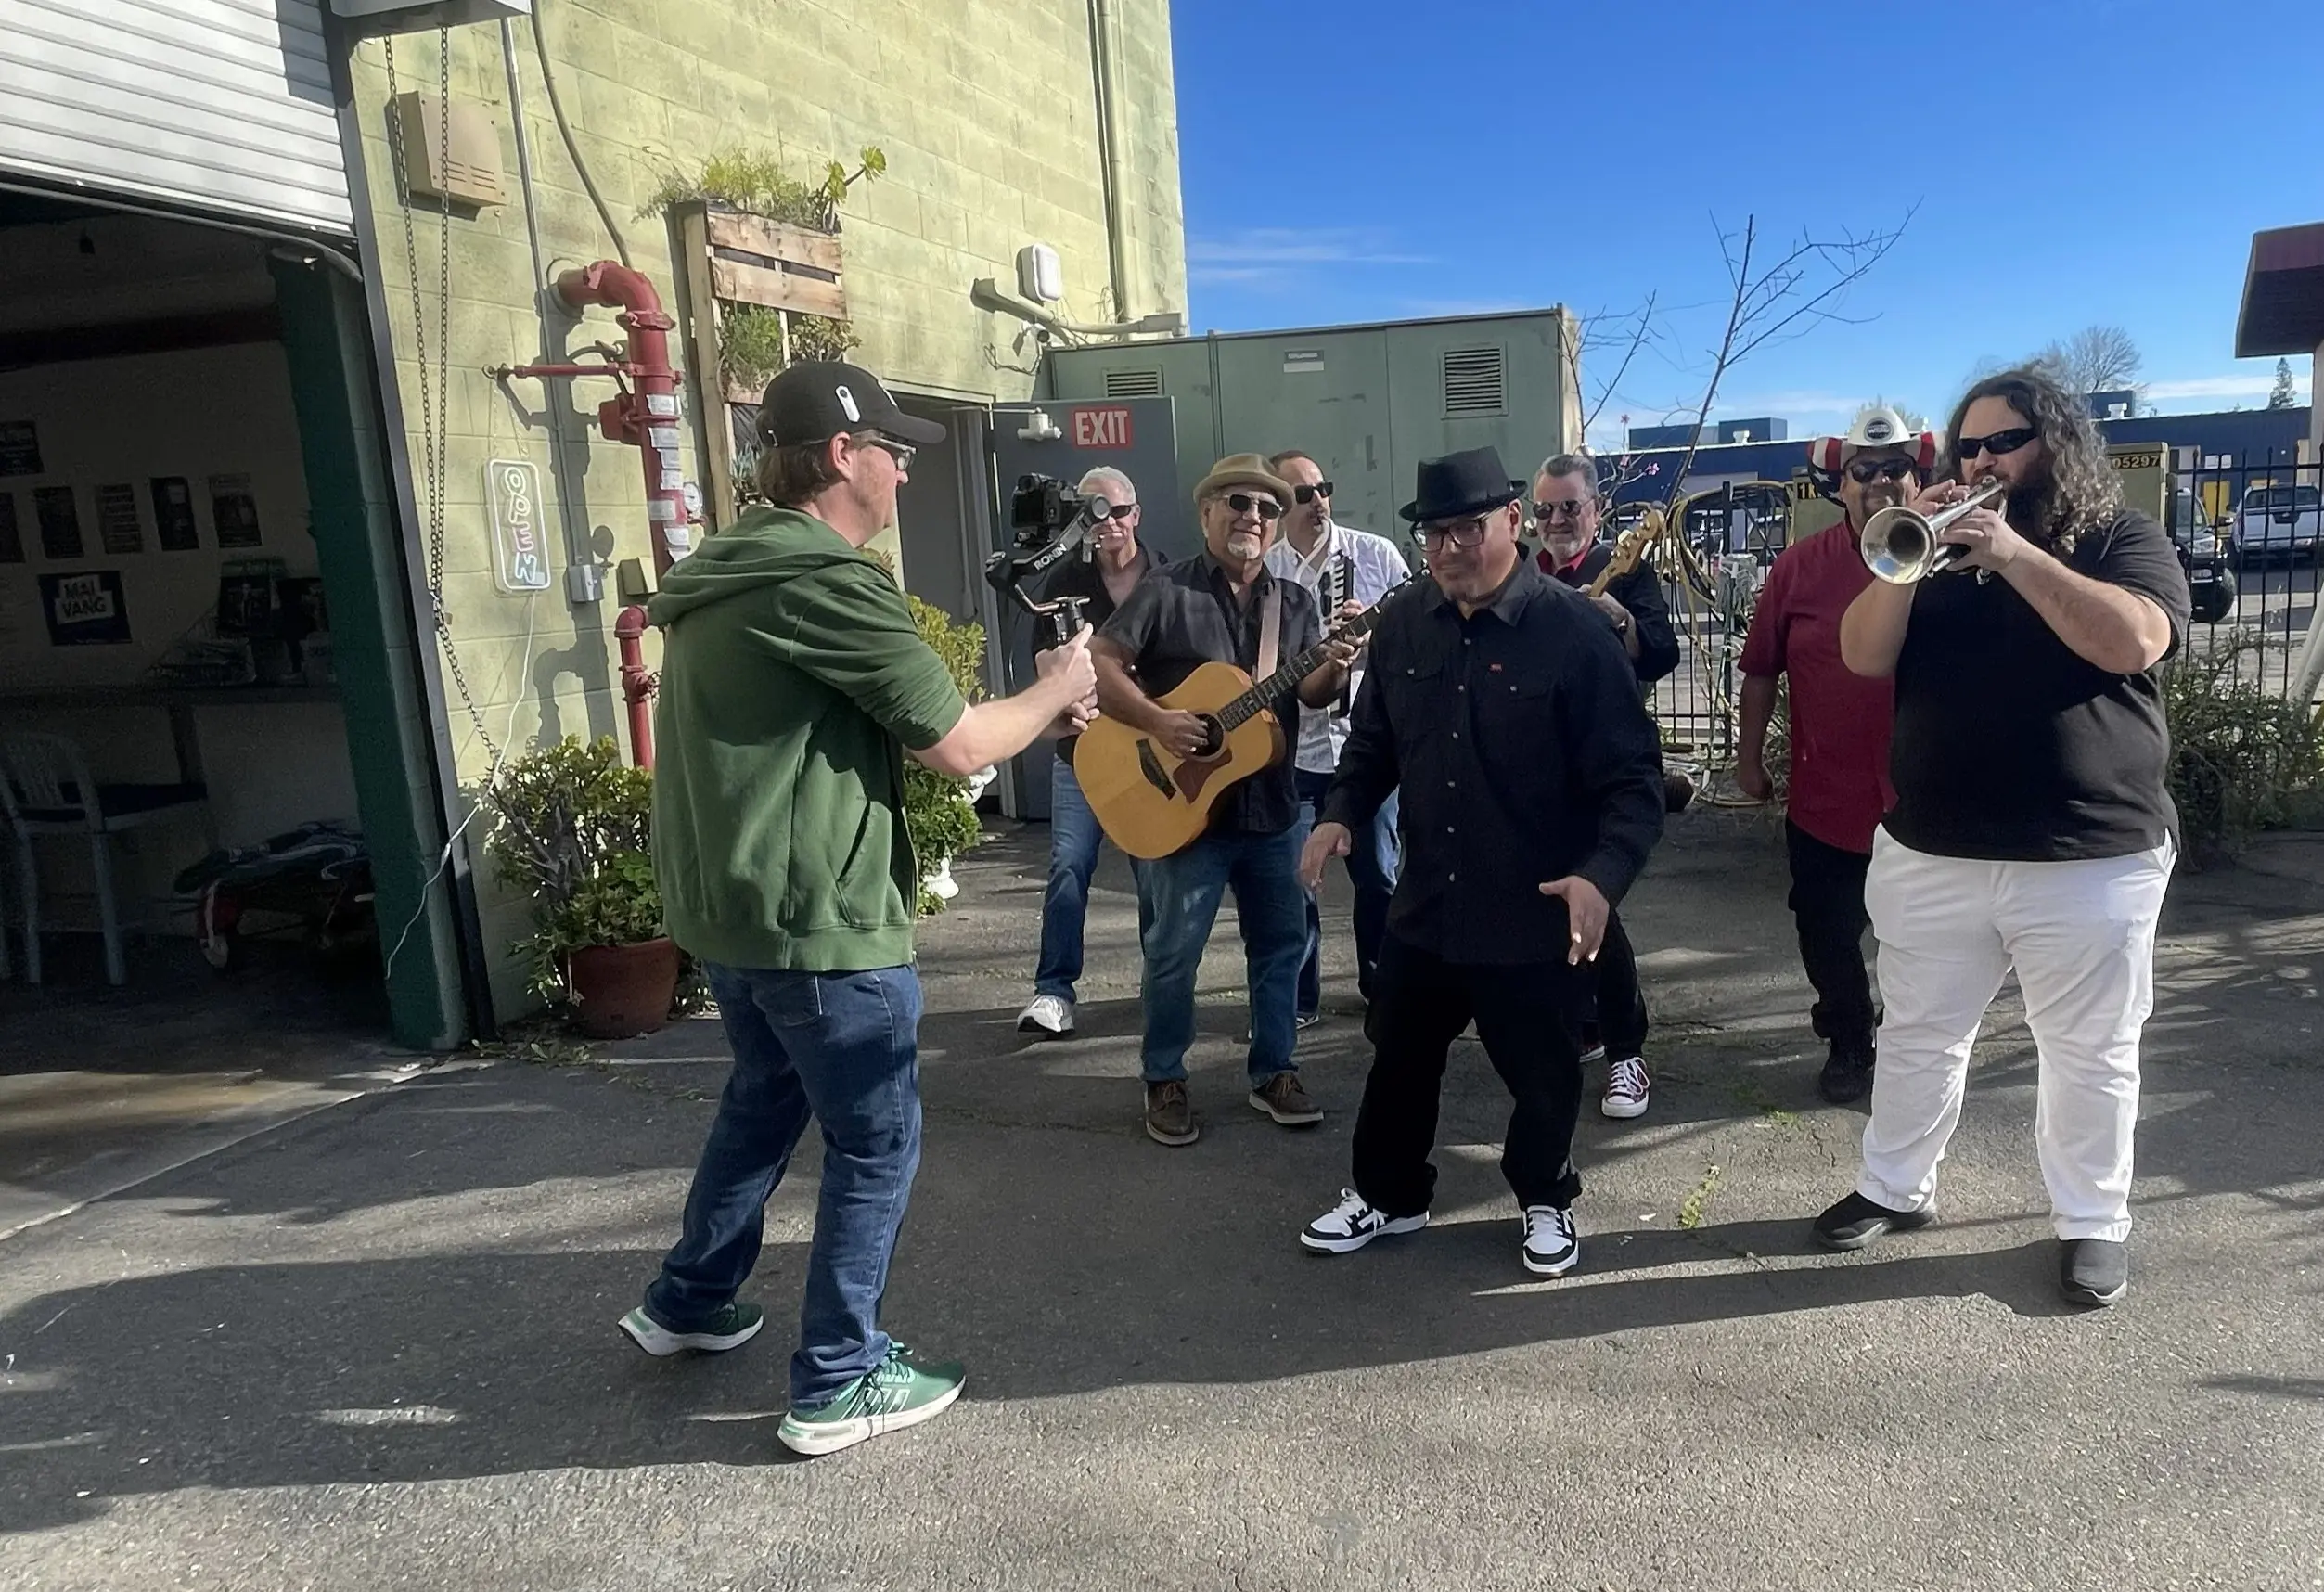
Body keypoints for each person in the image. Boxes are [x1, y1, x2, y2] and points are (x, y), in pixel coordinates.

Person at [622, 360, 1098, 1456]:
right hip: (820, 923)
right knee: (877, 1142)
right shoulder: (827, 582)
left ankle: (689, 1300)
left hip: (734, 921)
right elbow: (960, 746)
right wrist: (1061, 687)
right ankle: (838, 1374)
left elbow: (832, 727)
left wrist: (1029, 706)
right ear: (843, 457)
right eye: (895, 452)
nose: (904, 475)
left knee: (762, 1103)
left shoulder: (723, 574)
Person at [1810, 366, 2189, 1311]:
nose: (1982, 461)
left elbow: (2134, 641)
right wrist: (1907, 556)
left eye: (2004, 442)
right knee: (1922, 1035)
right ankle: (1895, 1188)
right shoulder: (1927, 555)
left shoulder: (2118, 538)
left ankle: (2093, 1223)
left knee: (2090, 1049)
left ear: (2054, 444)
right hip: (1934, 847)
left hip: (2088, 854)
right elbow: (1861, 655)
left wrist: (2015, 553)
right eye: (1968, 446)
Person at [1298, 447, 1665, 1277]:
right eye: (1434, 532)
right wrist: (1341, 815)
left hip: (1533, 905)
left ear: (1512, 522)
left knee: (1541, 1076)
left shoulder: (1573, 633)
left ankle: (1544, 1197)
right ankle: (1389, 1196)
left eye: (1469, 526)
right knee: (1398, 1058)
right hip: (1427, 904)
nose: (1451, 546)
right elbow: (1374, 745)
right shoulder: (1401, 625)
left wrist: (1601, 878)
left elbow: (1633, 781)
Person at [1093, 453, 1356, 1148]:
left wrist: (1334, 663)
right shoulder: (1164, 589)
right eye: (1238, 503)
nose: (1254, 517)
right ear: (1206, 511)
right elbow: (1104, 663)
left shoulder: (1292, 604)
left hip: (1270, 809)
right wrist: (1158, 723)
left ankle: (1274, 1071)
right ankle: (1165, 1078)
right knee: (1173, 952)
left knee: (1280, 947)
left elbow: (1310, 696)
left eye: (1268, 509)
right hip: (1182, 814)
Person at [1735, 406, 1928, 1104]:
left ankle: (1911, 1045)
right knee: (1826, 932)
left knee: (1926, 938)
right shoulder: (1796, 568)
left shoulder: (1955, 558)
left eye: (1894, 468)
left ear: (1917, 477)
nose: (1879, 481)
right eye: (1862, 471)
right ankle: (1849, 1037)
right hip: (1827, 795)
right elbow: (1761, 669)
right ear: (1839, 486)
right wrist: (1747, 759)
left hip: (1928, 797)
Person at [1531, 453, 1680, 1121]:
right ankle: (1583, 1026)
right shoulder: (1520, 575)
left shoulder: (1627, 570)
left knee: (1595, 905)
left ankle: (1627, 1051)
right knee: (1546, 903)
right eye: (1545, 509)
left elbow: (1661, 652)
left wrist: (1619, 617)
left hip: (1600, 767)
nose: (1557, 520)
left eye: (1569, 507)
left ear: (1595, 510)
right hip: (1534, 771)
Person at [1015, 466, 1165, 1038]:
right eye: (1094, 513)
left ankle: (1160, 984)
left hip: (1149, 755)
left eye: (1118, 512)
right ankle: (1054, 991)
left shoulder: (1169, 578)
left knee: (1153, 871)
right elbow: (1045, 666)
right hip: (1081, 754)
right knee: (1068, 869)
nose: (1109, 525)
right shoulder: (1059, 584)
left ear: (1136, 516)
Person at [1263, 449, 1409, 1026]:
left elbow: (1423, 625)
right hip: (1293, 753)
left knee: (1378, 874)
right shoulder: (1266, 572)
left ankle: (1382, 986)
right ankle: (1300, 999)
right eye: (1303, 493)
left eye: (1324, 487)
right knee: (1298, 880)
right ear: (1279, 505)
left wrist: (1377, 631)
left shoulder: (1377, 556)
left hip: (1365, 749)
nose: (1319, 500)